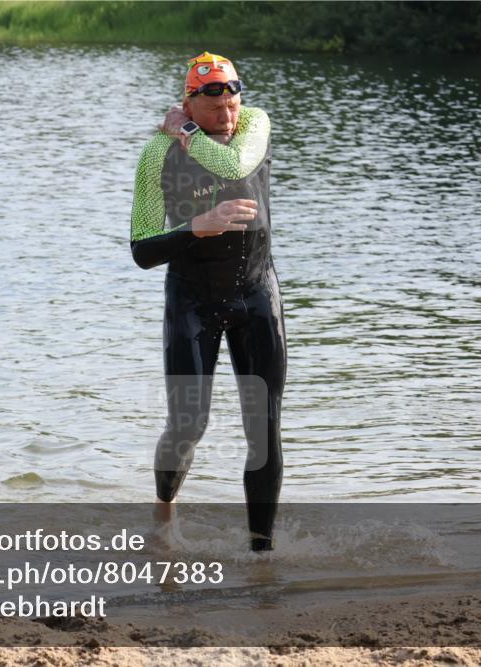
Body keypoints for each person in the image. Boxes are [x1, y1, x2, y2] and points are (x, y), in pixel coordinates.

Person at [129, 52, 286, 551]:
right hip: (192, 300)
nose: (227, 108)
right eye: (212, 98)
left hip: (257, 292)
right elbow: (142, 249)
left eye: (232, 93)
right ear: (187, 103)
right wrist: (197, 227)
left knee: (264, 427)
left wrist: (190, 135)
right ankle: (163, 515)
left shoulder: (254, 127)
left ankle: (262, 552)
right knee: (187, 424)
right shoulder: (158, 152)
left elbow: (236, 164)